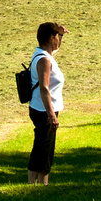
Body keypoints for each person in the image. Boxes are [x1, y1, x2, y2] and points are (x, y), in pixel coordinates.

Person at [28, 23, 66, 184]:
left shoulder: (43, 55)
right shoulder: (44, 60)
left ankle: (34, 185)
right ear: (51, 38)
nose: (58, 40)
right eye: (57, 36)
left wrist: (62, 34)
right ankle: (39, 185)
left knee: (42, 148)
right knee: (44, 150)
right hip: (44, 111)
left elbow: (54, 50)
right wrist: (51, 116)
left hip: (41, 108)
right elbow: (44, 88)